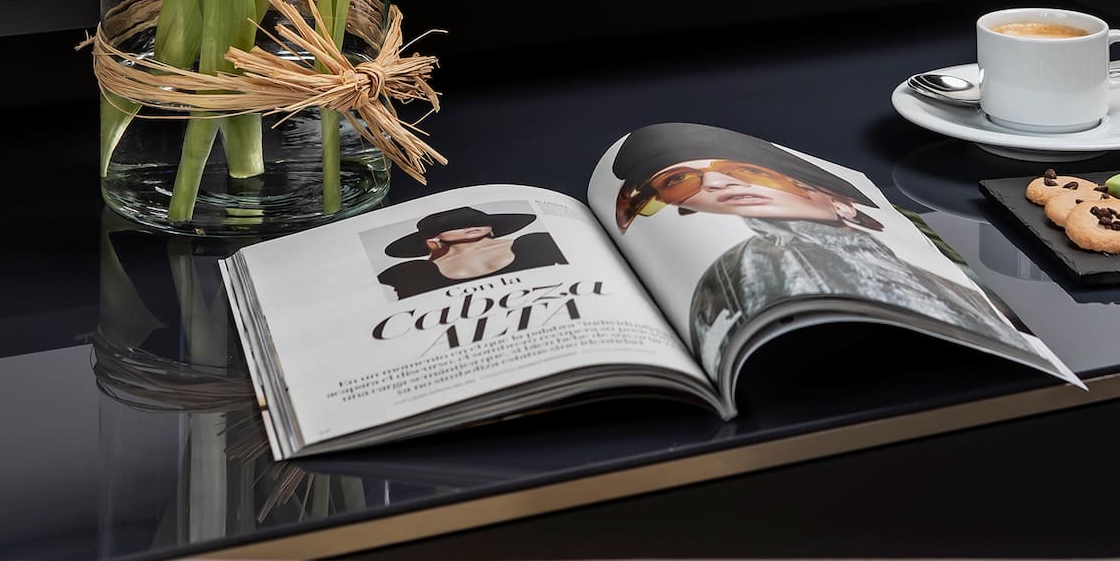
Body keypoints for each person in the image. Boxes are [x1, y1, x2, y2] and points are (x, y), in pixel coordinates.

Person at [611, 124, 1006, 372]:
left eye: (750, 172)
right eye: (680, 182)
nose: (716, 185)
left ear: (838, 200)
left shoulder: (948, 269)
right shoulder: (749, 265)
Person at [377, 205, 565, 300]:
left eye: (475, 221)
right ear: (433, 237)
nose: (469, 226)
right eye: (453, 226)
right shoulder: (414, 272)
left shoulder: (537, 242)